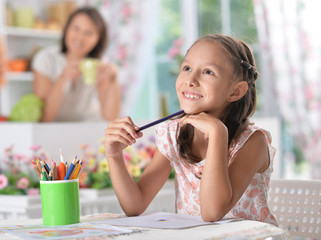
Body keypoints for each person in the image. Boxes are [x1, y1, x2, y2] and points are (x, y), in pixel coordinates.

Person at [104, 34, 278, 226]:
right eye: (187, 68)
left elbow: (212, 212)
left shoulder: (253, 142)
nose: (191, 80)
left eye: (208, 72)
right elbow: (135, 205)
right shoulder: (173, 134)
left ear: (235, 91)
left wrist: (217, 133)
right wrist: (114, 155)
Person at [32, 7, 121, 122]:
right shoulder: (46, 59)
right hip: (53, 129)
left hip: (89, 125)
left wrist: (113, 80)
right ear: (66, 29)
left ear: (98, 39)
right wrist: (63, 78)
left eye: (89, 33)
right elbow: (45, 118)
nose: (80, 37)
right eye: (76, 29)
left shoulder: (100, 64)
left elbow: (111, 118)